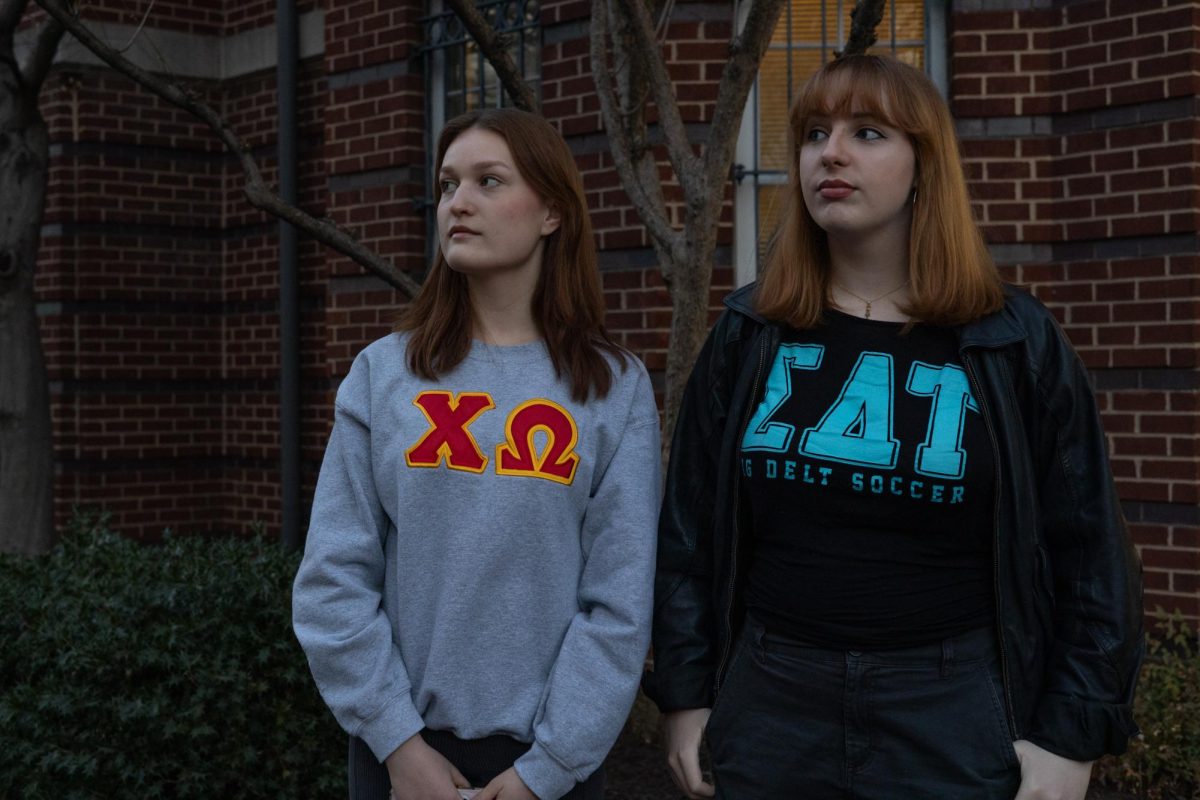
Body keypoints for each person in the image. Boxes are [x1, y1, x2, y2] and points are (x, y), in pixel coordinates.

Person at [643, 55, 1143, 800]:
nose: (830, 153)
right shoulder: (751, 334)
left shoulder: (1013, 343)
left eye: (867, 132)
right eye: (814, 134)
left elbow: (1089, 551)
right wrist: (685, 694)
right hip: (771, 702)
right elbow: (689, 535)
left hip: (954, 709)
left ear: (923, 167)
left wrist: (1071, 735)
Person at [293, 107, 661, 800]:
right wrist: (399, 745)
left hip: (552, 772)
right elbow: (332, 581)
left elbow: (619, 602)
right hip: (403, 763)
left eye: (488, 181)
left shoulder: (613, 387)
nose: (458, 203)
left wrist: (545, 770)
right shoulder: (384, 375)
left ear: (551, 212)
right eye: (447, 184)